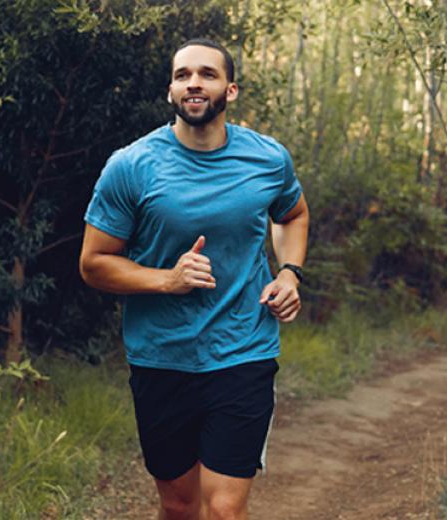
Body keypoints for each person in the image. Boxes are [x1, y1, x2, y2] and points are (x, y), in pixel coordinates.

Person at [79, 38, 309, 520]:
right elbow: (94, 262)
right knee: (180, 506)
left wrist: (289, 272)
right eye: (183, 75)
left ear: (231, 89)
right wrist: (168, 279)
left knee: (224, 508)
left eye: (207, 74)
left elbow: (292, 214)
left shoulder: (267, 159)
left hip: (243, 350)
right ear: (171, 91)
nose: (194, 83)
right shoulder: (131, 166)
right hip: (163, 355)